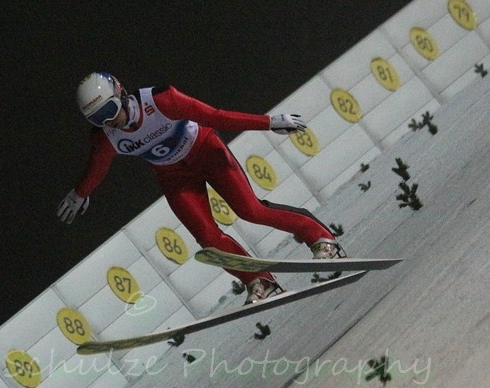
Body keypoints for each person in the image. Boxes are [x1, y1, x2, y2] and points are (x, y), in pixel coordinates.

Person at [58, 72, 342, 305]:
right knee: (207, 238)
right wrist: (80, 194)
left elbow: (216, 116)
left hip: (206, 151)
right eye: (97, 119)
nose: (109, 121)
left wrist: (268, 123)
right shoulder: (105, 137)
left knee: (251, 211)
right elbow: (98, 168)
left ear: (120, 92)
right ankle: (258, 280)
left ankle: (321, 238)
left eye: (108, 111)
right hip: (173, 177)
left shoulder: (161, 100)